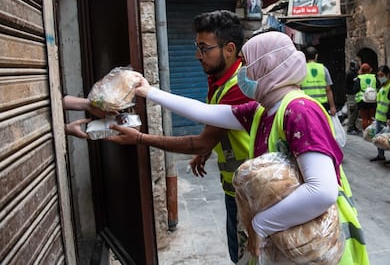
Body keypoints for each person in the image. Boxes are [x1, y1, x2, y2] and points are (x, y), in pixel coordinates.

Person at [109, 31, 369, 264]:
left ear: (267, 65)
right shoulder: (262, 110)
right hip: (291, 240)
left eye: (246, 63)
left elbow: (321, 191)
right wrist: (148, 92)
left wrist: (260, 225)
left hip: (317, 243)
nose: (241, 72)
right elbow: (204, 112)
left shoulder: (299, 111)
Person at [107, 10, 252, 263]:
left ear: (229, 49)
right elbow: (216, 126)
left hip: (251, 194)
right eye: (197, 47)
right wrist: (207, 151)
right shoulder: (218, 79)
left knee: (246, 257)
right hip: (236, 191)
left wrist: (140, 138)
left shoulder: (240, 85)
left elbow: (201, 138)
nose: (198, 55)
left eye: (204, 48)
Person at [369, 65, 390, 166]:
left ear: (388, 74)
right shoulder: (382, 85)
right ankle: (380, 155)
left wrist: (389, 117)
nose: (380, 77)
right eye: (378, 75)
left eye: (382, 75)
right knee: (379, 138)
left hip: (389, 118)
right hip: (379, 116)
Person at [300, 46, 337, 115]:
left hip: (307, 104)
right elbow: (328, 89)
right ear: (316, 56)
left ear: (305, 57)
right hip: (322, 105)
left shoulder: (302, 69)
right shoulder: (323, 69)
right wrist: (332, 107)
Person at [353, 63, 380, 130]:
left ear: (361, 70)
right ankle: (371, 132)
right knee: (371, 117)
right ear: (369, 69)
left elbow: (355, 89)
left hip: (362, 100)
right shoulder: (374, 77)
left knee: (364, 118)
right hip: (373, 99)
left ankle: (366, 133)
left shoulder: (359, 78)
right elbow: (378, 85)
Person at [345, 59, 360, 134]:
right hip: (351, 94)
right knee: (353, 110)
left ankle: (353, 126)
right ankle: (350, 128)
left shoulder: (352, 73)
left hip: (353, 94)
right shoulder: (350, 73)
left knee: (355, 111)